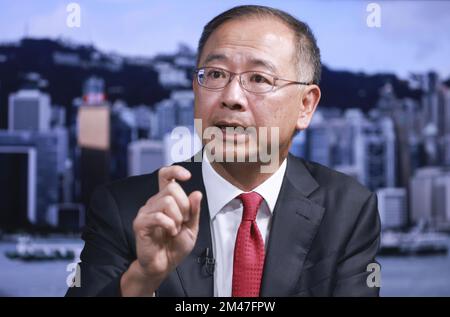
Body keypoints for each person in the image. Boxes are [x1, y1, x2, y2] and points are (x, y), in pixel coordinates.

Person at [66, 5, 381, 297]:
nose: (231, 97)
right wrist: (143, 277)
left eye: (259, 78)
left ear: (305, 105)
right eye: (215, 75)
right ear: (195, 89)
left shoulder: (348, 208)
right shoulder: (126, 207)